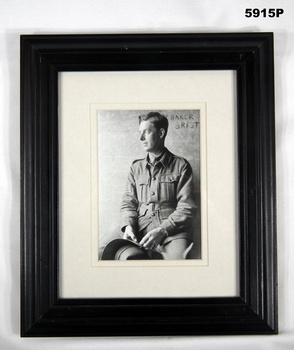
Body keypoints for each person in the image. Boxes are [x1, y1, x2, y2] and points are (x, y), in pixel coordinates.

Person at [113, 111, 197, 260]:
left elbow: (187, 208)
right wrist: (128, 226)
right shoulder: (136, 168)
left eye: (146, 132)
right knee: (103, 249)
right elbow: (128, 203)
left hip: (172, 231)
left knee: (178, 261)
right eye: (140, 132)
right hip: (139, 227)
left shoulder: (181, 166)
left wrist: (162, 230)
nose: (141, 138)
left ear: (161, 133)